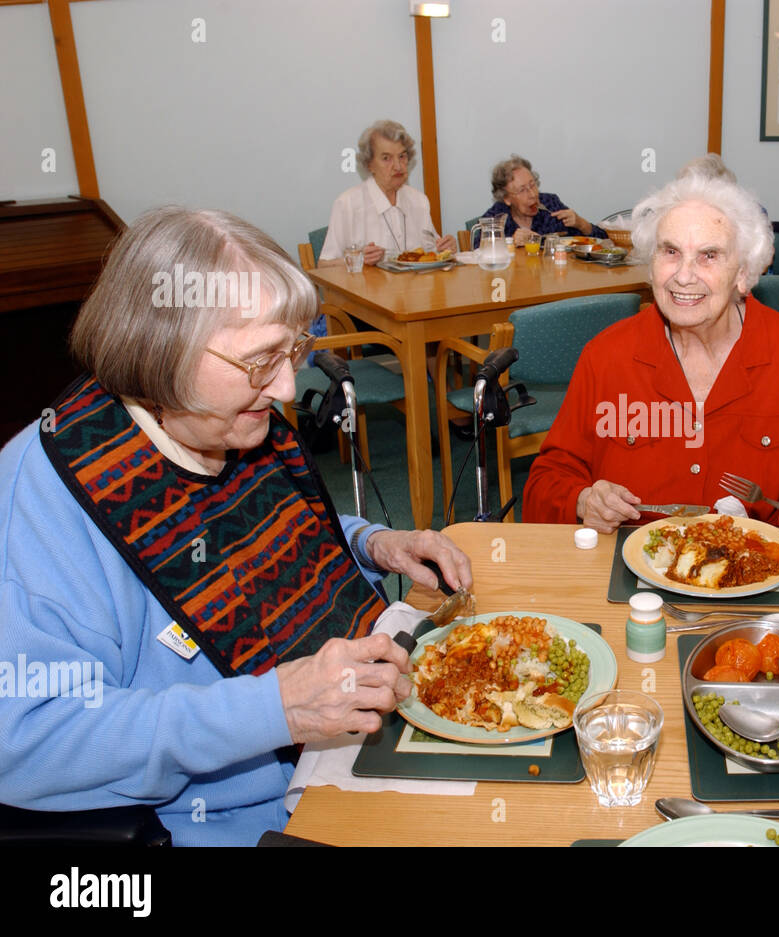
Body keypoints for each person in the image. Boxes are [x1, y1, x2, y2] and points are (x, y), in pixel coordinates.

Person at [0, 207, 472, 846]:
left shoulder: (229, 418)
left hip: (340, 742)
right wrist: (273, 708)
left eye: (293, 351)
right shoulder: (48, 492)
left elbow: (269, 534)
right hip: (242, 820)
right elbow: (26, 744)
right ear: (162, 350)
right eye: (260, 361)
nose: (283, 388)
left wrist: (373, 544)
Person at [521, 173, 779, 533]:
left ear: (743, 274)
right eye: (670, 252)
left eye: (709, 256)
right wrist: (582, 500)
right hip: (629, 576)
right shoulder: (605, 356)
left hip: (758, 575)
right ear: (651, 265)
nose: (683, 276)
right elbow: (546, 483)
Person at [319, 119, 455, 267]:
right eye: (386, 158)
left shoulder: (419, 200)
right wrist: (358, 259)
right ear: (369, 164)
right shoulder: (348, 204)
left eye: (402, 156)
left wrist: (446, 249)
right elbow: (323, 266)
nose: (397, 166)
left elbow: (433, 252)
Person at [475, 155, 607, 247]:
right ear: (507, 198)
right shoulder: (497, 217)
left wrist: (581, 224)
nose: (532, 194)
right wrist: (509, 243)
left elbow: (604, 241)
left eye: (532, 185)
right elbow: (477, 251)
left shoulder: (551, 205)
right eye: (522, 190)